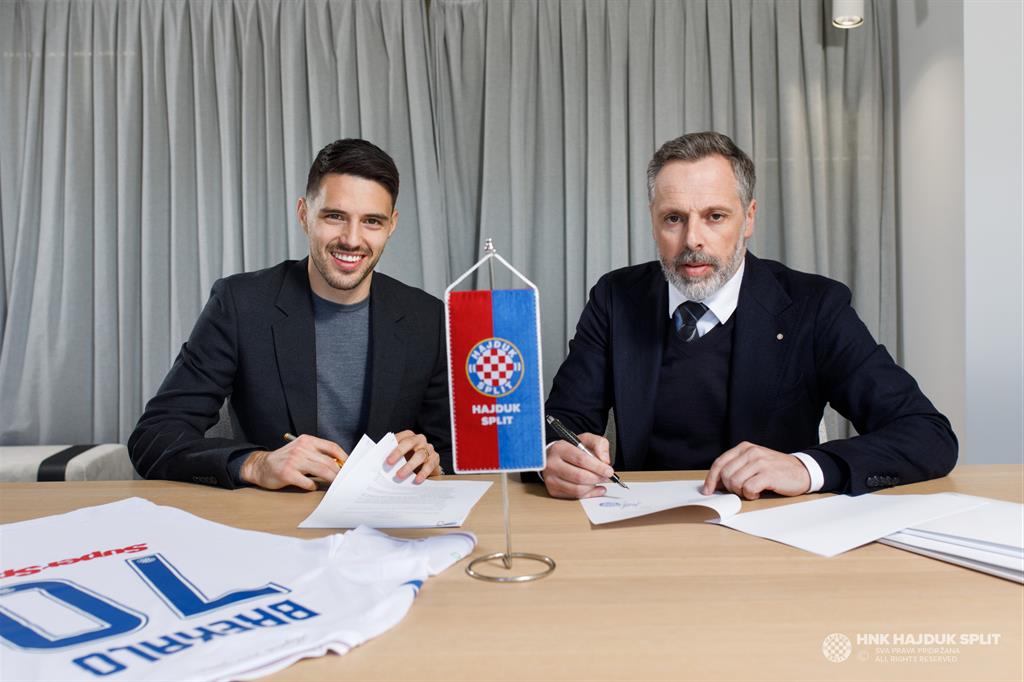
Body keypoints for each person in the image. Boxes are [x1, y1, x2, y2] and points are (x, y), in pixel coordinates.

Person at [542, 131, 957, 500]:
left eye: (715, 216)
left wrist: (806, 468)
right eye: (674, 218)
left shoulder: (815, 306)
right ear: (653, 222)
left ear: (749, 218)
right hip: (640, 521)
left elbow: (927, 434)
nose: (693, 240)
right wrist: (553, 454)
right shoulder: (615, 298)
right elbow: (559, 422)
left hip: (773, 525)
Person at [130, 139, 449, 491]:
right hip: (275, 513)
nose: (351, 239)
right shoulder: (239, 304)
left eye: (372, 221)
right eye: (334, 216)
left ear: (391, 226)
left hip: (386, 517)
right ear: (304, 215)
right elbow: (154, 436)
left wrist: (432, 460)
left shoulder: (428, 318)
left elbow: (452, 453)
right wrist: (255, 464)